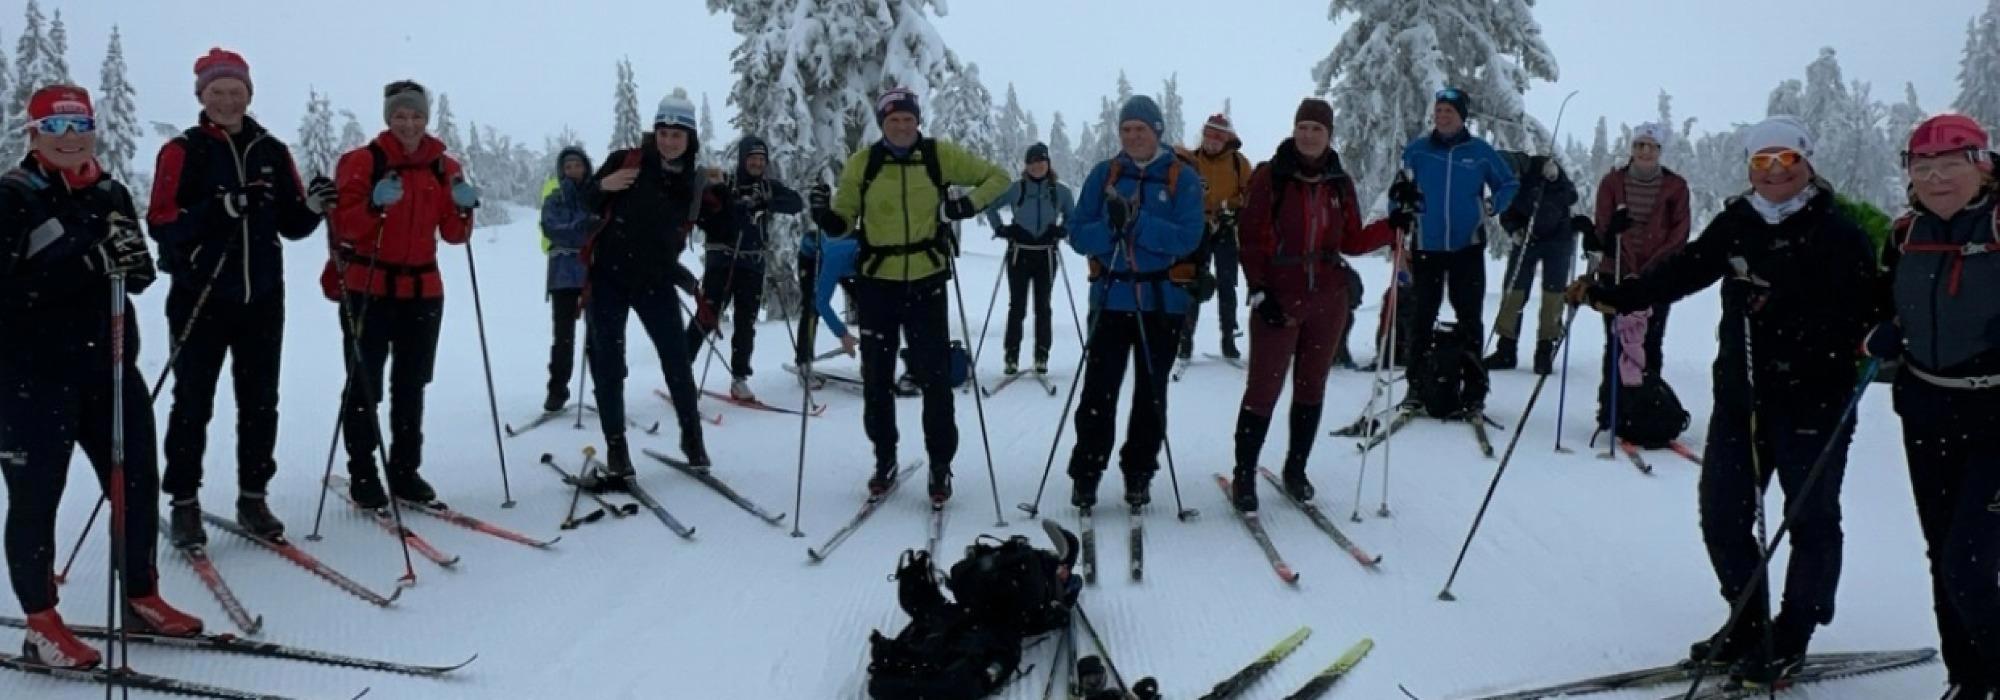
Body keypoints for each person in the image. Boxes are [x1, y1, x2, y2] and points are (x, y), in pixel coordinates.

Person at [1568, 116, 1876, 687]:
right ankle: (1747, 617)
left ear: (1807, 163)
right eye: (1762, 163)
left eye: (1786, 161)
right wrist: (1620, 295)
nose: (1774, 173)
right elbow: (1685, 270)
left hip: (1814, 399)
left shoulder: (1837, 230)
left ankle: (1794, 632)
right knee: (1722, 515)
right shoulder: (1739, 221)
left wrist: (1784, 309)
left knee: (1809, 517)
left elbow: (1863, 313)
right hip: (1742, 395)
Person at [1, 84, 204, 669]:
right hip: (31, 378)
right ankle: (40, 623)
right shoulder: (13, 196)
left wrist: (134, 265)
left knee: (136, 482)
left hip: (109, 367)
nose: (71, 139)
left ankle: (140, 598)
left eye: (80, 126)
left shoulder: (110, 189)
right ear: (34, 134)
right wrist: (81, 261)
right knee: (37, 497)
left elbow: (132, 263)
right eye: (56, 129)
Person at [146, 49, 331, 546]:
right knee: (192, 402)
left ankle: (254, 496)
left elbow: (291, 224)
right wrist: (221, 207)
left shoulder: (270, 149)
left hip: (262, 297)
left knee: (260, 402)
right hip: (201, 296)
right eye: (217, 92)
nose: (227, 101)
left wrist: (313, 207)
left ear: (249, 94)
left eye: (236, 92)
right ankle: (184, 500)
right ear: (201, 97)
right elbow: (161, 223)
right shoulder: (183, 151)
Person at [808, 86, 1010, 503]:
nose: (902, 126)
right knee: (877, 379)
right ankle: (884, 458)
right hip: (877, 284)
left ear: (918, 120)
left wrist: (966, 207)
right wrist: (826, 217)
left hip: (927, 281)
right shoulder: (864, 163)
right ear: (882, 123)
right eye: (893, 120)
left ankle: (940, 465)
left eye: (908, 119)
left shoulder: (938, 155)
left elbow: (999, 178)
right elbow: (844, 221)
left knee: (935, 380)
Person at [1870, 113, 2000, 700]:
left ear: (1982, 167)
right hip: (1925, 408)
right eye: (1924, 167)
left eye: (1952, 164)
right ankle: (1966, 679)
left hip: (1996, 415)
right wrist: (1882, 332)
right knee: (1942, 551)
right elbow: (1883, 305)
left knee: (1967, 564)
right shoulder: (1905, 235)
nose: (1937, 178)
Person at [1228, 99, 1393, 511]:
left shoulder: (1340, 182)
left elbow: (1352, 241)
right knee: (1263, 388)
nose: (1308, 135)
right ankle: (1244, 474)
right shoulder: (1272, 176)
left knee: (1311, 387)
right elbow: (1250, 239)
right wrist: (1259, 290)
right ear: (1293, 129)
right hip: (1280, 295)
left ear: (1329, 135)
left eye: (1316, 129)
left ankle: (1295, 469)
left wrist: (1396, 224)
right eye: (1302, 126)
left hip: (1327, 299)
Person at [324, 80, 477, 508]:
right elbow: (346, 226)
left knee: (412, 385)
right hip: (368, 287)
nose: (408, 124)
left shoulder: (444, 167)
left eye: (416, 116)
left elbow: (453, 234)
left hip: (424, 291)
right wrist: (373, 205)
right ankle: (363, 472)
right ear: (387, 117)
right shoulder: (361, 161)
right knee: (364, 383)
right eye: (400, 116)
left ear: (427, 119)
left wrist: (465, 207)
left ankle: (406, 471)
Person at [1062, 95, 1205, 509]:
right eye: (1126, 129)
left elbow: (1186, 238)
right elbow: (1077, 232)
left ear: (1157, 131)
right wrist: (1112, 226)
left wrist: (1138, 222)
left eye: (1140, 128)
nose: (1132, 136)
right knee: (1098, 393)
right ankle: (1086, 474)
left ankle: (1139, 473)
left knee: (1151, 395)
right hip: (1110, 295)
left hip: (1162, 302)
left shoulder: (1183, 177)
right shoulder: (1103, 174)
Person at [583, 87, 726, 476]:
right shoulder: (625, 162)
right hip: (609, 276)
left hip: (655, 279)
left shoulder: (694, 182)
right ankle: (616, 448)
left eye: (677, 134)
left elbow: (722, 221)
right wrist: (601, 187)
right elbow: (582, 202)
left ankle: (692, 439)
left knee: (677, 360)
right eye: (662, 132)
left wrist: (727, 192)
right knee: (610, 363)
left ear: (689, 138)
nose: (668, 140)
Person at [1399, 87, 1518, 373]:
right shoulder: (1418, 150)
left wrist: (1491, 206)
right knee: (1422, 315)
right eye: (1438, 111)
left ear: (1462, 117)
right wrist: (1400, 210)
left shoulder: (1478, 151)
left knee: (1469, 315)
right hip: (1427, 244)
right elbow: (1400, 188)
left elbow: (1509, 183)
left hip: (1468, 245)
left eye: (1449, 112)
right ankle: (1417, 383)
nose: (1442, 117)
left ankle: (1473, 388)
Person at [683, 136, 804, 402]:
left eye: (761, 160)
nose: (757, 164)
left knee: (745, 323)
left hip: (752, 263)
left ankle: (740, 379)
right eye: (752, 159)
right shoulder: (726, 182)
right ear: (742, 159)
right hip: (722, 261)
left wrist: (767, 203)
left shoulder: (767, 187)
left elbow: (796, 203)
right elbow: (698, 196)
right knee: (707, 315)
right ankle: (680, 372)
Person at [1586, 122, 1691, 430]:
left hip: (1658, 276)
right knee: (1617, 341)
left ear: (1660, 151)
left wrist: (1651, 269)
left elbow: (1679, 233)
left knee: (1651, 342)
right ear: (1631, 149)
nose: (1645, 152)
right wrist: (1623, 258)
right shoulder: (1612, 182)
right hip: (1616, 271)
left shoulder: (1675, 187)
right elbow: (1604, 226)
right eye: (1639, 146)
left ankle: (1647, 408)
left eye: (1652, 146)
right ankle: (1612, 410)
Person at [982, 142, 1076, 375]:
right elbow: (991, 206)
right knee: (1017, 307)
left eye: (1041, 162)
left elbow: (1073, 216)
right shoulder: (1016, 188)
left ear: (1048, 164)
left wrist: (1062, 230)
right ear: (1026, 165)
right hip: (1019, 253)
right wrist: (1002, 229)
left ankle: (1041, 355)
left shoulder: (1060, 191)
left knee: (1043, 307)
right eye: (1032, 162)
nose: (1037, 166)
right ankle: (1011, 356)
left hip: (1046, 254)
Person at [1485, 152, 1581, 375]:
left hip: (1559, 238)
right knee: (1514, 291)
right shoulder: (1504, 180)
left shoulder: (1544, 166)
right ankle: (1506, 348)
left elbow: (1571, 197)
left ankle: (1544, 350)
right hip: (1527, 237)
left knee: (1553, 294)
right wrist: (1514, 230)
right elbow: (1505, 212)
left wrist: (1556, 179)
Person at [1177, 112, 1254, 363]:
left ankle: (1228, 337)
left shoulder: (1238, 163)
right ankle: (1185, 339)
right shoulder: (1192, 160)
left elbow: (1251, 194)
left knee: (1227, 283)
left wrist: (1232, 209)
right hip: (1198, 227)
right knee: (1193, 282)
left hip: (1225, 228)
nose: (1211, 143)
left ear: (1226, 140)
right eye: (1208, 137)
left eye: (1217, 139)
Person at [539, 146, 594, 413]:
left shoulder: (594, 196)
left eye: (577, 166)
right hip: (563, 274)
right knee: (563, 338)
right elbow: (552, 229)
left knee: (599, 335)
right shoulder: (554, 198)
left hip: (592, 272)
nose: (573, 171)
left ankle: (607, 388)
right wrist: (582, 228)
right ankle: (557, 390)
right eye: (568, 167)